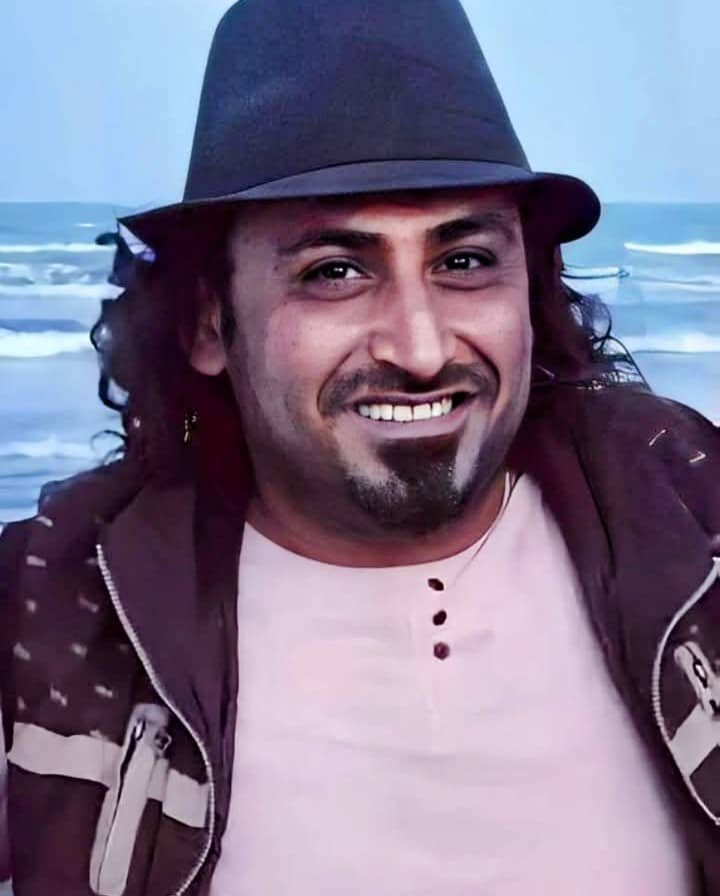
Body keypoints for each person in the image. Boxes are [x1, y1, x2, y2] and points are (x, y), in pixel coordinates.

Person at [1, 0, 719, 893]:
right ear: (209, 322)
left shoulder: (695, 530)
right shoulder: (49, 620)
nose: (420, 349)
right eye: (334, 272)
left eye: (464, 261)